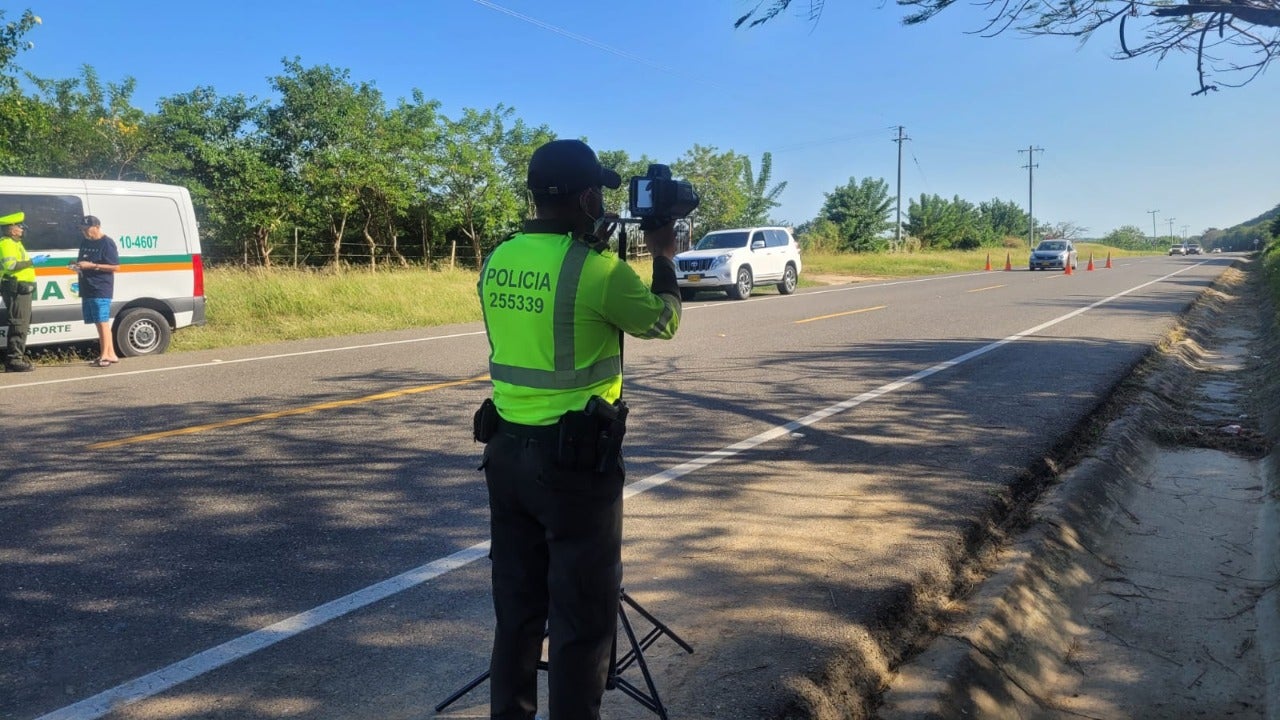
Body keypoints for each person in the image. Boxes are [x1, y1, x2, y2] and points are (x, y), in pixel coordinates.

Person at [475, 138, 681, 720]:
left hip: (505, 455)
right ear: (589, 197)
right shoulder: (598, 271)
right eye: (599, 194)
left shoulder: (498, 259)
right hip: (574, 469)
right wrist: (662, 255)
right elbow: (662, 322)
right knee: (582, 621)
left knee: (517, 613)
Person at [0, 211, 49, 372]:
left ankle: (16, 357)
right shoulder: (6, 243)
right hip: (16, 288)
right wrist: (32, 262)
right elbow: (11, 266)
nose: (23, 229)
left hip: (22, 288)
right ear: (11, 229)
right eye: (20, 226)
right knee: (18, 323)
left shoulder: (15, 243)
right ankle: (14, 360)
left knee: (22, 322)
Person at [73, 215, 120, 366]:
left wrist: (93, 266)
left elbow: (115, 266)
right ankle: (110, 354)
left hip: (101, 286)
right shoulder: (85, 242)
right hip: (87, 286)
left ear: (97, 227)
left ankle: (105, 355)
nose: (85, 232)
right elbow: (82, 261)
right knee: (97, 322)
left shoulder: (107, 243)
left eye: (87, 229)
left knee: (102, 321)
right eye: (82, 230)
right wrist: (77, 266)